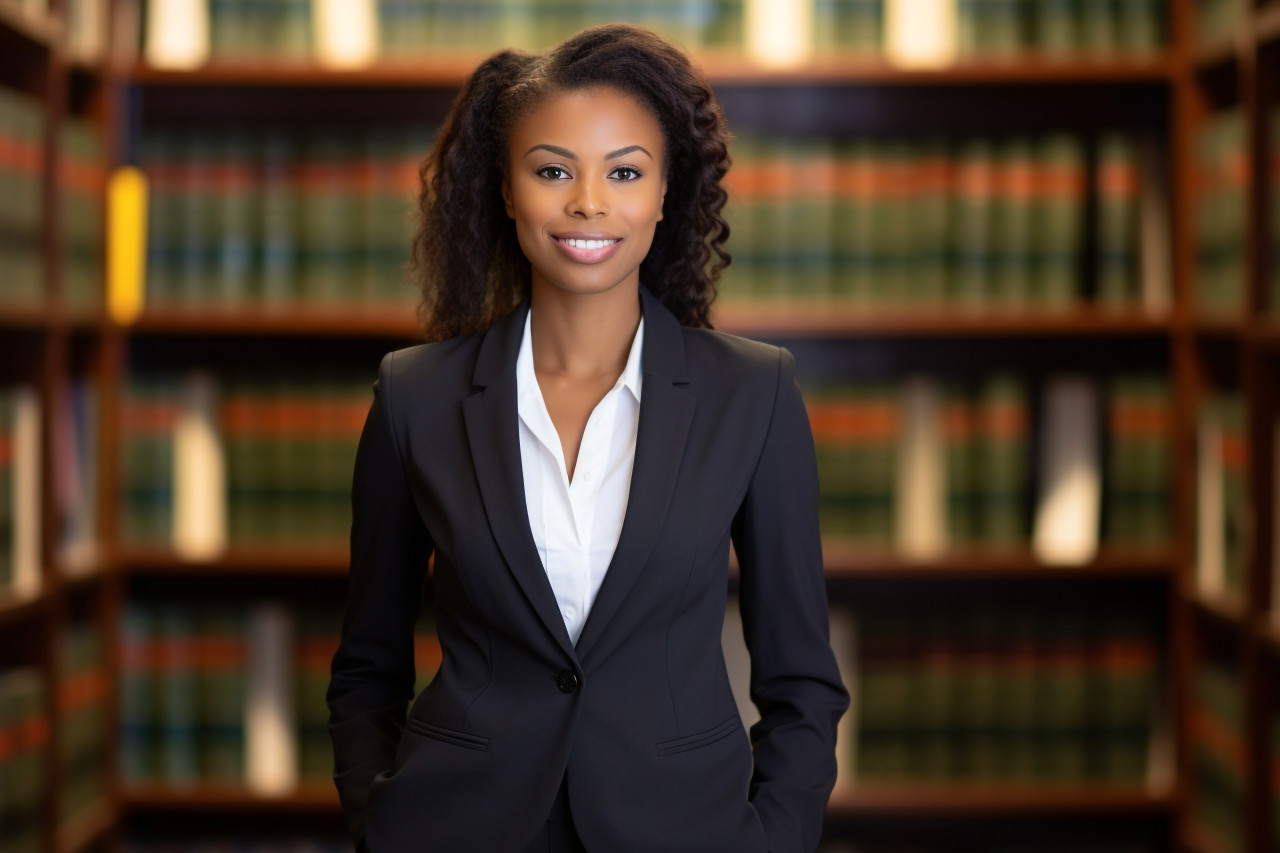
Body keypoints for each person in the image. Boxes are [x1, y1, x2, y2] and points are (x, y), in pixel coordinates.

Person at [327, 22, 849, 853]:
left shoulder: (754, 392)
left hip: (685, 833)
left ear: (666, 190)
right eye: (553, 170)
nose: (589, 203)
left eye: (625, 172)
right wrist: (379, 820)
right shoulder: (413, 395)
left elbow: (802, 682)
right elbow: (367, 667)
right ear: (506, 189)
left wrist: (773, 840)